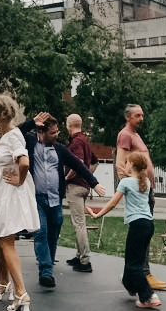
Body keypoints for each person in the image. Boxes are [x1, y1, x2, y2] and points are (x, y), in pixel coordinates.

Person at [18, 114, 105, 288]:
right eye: (53, 132)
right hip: (37, 198)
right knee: (41, 232)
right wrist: (31, 123)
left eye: (58, 131)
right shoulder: (30, 142)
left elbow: (79, 165)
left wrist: (94, 184)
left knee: (53, 232)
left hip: (55, 198)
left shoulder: (60, 149)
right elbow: (16, 132)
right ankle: (46, 271)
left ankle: (47, 264)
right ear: (41, 132)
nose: (57, 135)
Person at [0, 93, 38, 311]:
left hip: (9, 196)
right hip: (3, 195)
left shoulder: (12, 137)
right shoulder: (9, 136)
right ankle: (16, 291)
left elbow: (24, 161)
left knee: (7, 243)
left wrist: (19, 178)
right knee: (2, 240)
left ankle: (21, 291)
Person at [88, 151, 160, 309]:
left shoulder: (126, 183)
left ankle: (149, 296)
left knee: (134, 265)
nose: (124, 165)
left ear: (132, 165)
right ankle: (130, 284)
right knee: (133, 259)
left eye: (127, 163)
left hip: (137, 225)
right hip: (148, 225)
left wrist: (97, 214)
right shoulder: (145, 181)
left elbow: (113, 203)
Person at [116, 104, 166, 292]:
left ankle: (138, 274)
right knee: (141, 234)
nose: (141, 118)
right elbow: (120, 164)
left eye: (142, 115)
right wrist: (132, 187)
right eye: (138, 115)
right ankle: (142, 274)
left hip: (145, 189)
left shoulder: (136, 135)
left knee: (144, 234)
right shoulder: (126, 135)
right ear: (128, 117)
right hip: (140, 192)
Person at [64, 113, 101, 272]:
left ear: (69, 125)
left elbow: (77, 163)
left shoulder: (76, 142)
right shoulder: (85, 140)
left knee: (78, 223)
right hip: (84, 187)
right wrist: (88, 176)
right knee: (80, 222)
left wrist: (66, 178)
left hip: (75, 187)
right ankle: (79, 255)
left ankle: (85, 260)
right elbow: (95, 161)